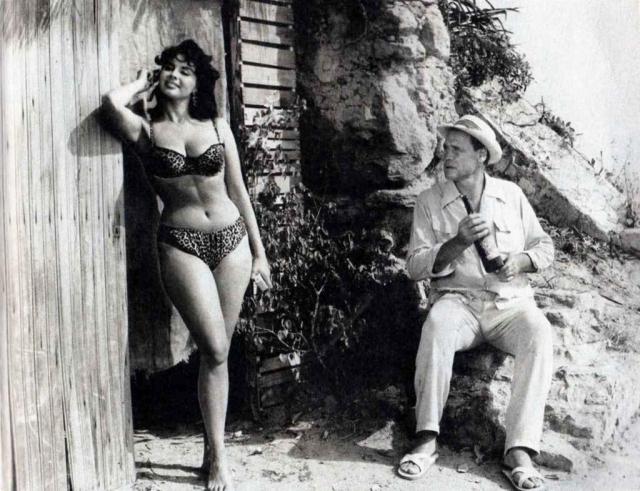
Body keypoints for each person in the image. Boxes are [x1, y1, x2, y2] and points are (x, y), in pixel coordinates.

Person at [101, 39, 272, 491]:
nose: (175, 76)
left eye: (185, 70)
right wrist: (139, 84)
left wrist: (259, 253)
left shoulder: (217, 126)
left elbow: (239, 193)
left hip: (232, 241)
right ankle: (217, 458)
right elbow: (110, 105)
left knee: (219, 352)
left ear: (198, 83)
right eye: (169, 69)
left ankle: (214, 454)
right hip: (181, 244)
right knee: (213, 347)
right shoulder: (147, 131)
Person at [400, 114, 554, 490]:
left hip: (508, 304)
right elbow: (414, 267)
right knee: (436, 324)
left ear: (481, 155)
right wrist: (457, 242)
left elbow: (544, 246)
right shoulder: (429, 201)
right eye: (445, 148)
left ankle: (519, 451)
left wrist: (520, 261)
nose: (446, 156)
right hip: (459, 303)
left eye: (456, 149)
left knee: (539, 332)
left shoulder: (511, 195)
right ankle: (426, 438)